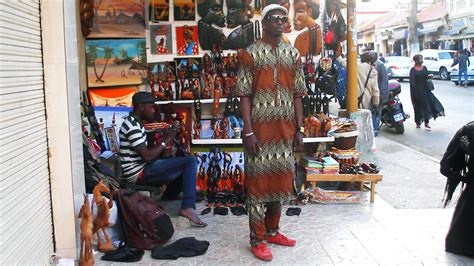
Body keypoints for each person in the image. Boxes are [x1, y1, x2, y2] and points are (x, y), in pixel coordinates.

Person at [235, 4, 305, 261]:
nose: (279, 21)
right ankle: (257, 238)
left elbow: (298, 94)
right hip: (260, 132)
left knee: (280, 181)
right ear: (264, 23)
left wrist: (300, 128)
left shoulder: (293, 54)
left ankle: (273, 230)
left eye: (283, 18)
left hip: (285, 130)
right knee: (258, 186)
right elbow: (243, 94)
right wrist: (248, 131)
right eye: (274, 18)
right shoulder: (250, 54)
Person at [119, 92, 207, 227]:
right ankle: (188, 207)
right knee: (190, 161)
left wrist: (162, 132)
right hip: (138, 173)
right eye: (151, 107)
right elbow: (147, 157)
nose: (154, 110)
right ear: (141, 106)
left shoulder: (135, 123)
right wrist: (167, 139)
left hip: (141, 168)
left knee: (180, 159)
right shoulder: (132, 127)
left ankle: (169, 196)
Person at [409, 54, 445, 129]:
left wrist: (429, 76)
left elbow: (426, 76)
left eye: (422, 58)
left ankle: (426, 122)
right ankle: (418, 122)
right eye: (420, 59)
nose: (422, 60)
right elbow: (412, 83)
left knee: (426, 106)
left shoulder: (424, 68)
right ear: (416, 60)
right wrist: (415, 93)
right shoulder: (412, 70)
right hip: (416, 91)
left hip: (425, 90)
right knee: (417, 107)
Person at [373, 51, 389, 136]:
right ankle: (374, 129)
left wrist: (383, 95)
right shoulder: (375, 65)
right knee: (375, 112)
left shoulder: (379, 66)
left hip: (378, 94)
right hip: (375, 94)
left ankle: (375, 129)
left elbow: (383, 82)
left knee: (377, 112)